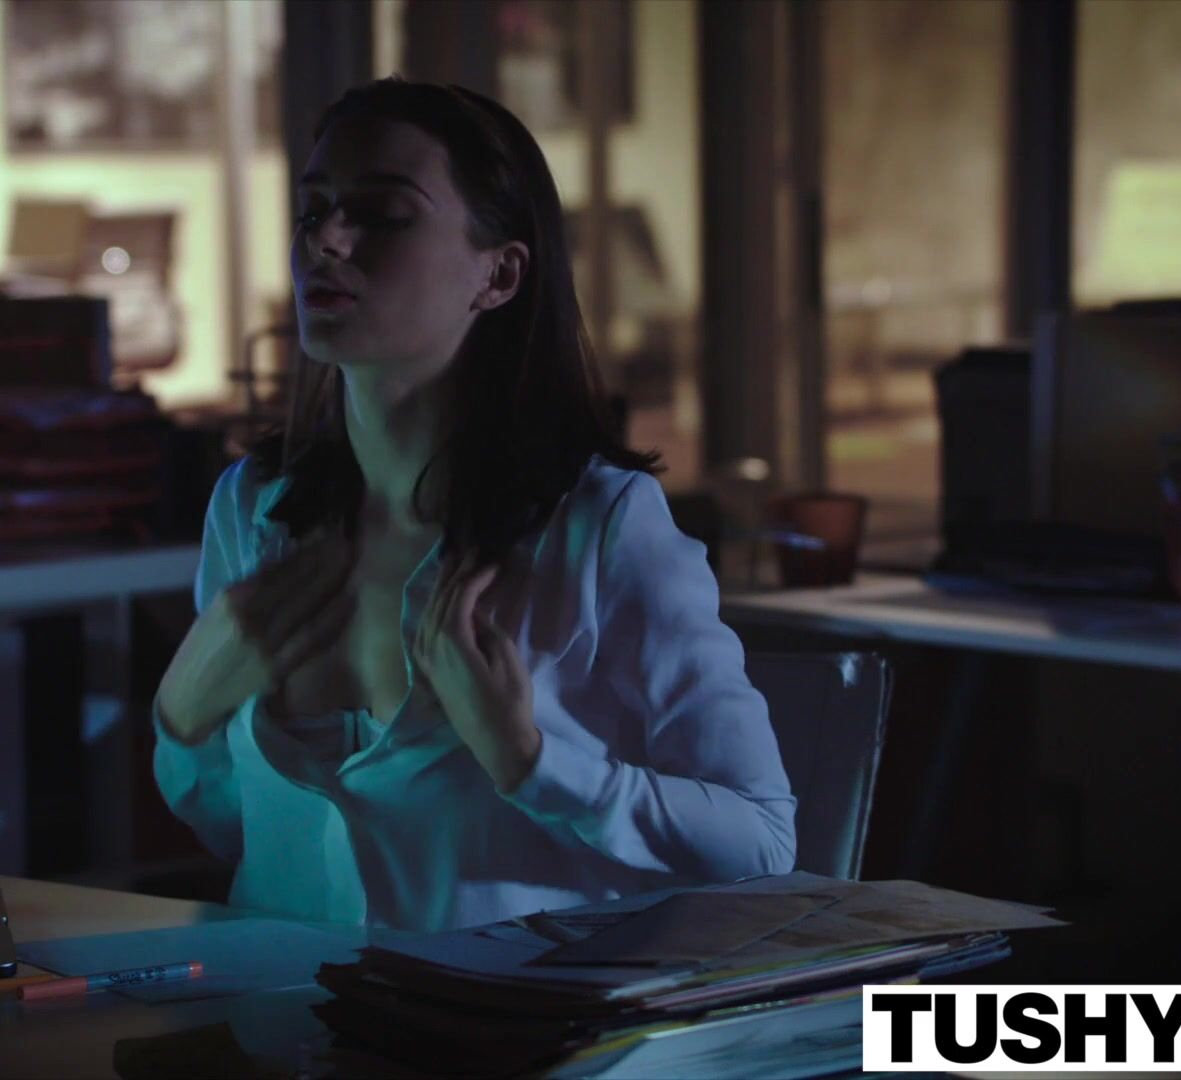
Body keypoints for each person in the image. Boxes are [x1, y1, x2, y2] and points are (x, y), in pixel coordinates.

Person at [152, 78, 794, 932]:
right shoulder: (253, 512)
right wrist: (181, 716)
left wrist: (531, 760)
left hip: (513, 1011)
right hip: (280, 1010)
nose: (326, 240)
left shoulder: (600, 526)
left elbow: (762, 841)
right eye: (313, 210)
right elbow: (234, 829)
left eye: (382, 214)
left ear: (499, 274)